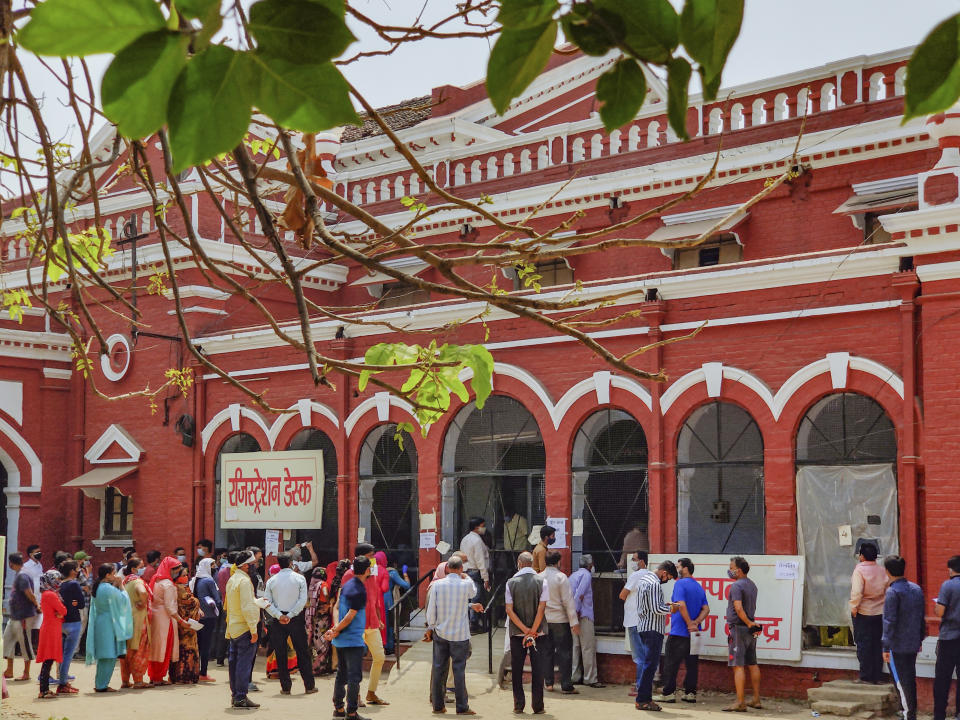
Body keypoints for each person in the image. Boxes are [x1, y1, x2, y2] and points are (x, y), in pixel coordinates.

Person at [426, 555, 483, 715]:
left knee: (439, 668)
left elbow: (432, 610)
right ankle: (462, 706)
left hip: (441, 632)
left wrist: (431, 627)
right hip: (460, 634)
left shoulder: (437, 585)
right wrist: (466, 577)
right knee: (459, 670)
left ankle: (438, 706)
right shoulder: (465, 584)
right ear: (460, 569)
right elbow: (473, 592)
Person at [621, 557, 677, 711]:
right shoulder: (653, 584)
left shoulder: (645, 580)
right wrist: (671, 609)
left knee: (648, 664)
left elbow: (650, 606)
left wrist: (664, 606)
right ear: (664, 573)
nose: (667, 580)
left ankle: (643, 698)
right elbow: (656, 609)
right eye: (668, 578)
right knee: (650, 665)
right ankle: (643, 699)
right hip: (653, 629)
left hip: (645, 626)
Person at [656, 557, 710, 703]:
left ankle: (668, 693)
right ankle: (690, 693)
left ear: (685, 568)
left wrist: (689, 623)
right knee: (692, 665)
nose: (677, 569)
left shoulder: (680, 584)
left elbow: (682, 605)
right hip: (694, 633)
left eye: (679, 566)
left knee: (671, 664)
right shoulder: (698, 587)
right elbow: (706, 609)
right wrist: (696, 622)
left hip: (679, 631)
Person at [263, 551, 317, 695]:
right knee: (302, 652)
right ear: (291, 563)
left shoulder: (271, 581)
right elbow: (302, 600)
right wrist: (291, 615)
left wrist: (279, 615)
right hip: (296, 619)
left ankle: (285, 687)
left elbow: (267, 602)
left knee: (280, 654)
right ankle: (309, 685)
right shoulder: (299, 578)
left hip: (277, 619)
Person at [341, 543, 389, 706]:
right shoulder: (349, 575)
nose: (373, 559)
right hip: (355, 624)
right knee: (354, 661)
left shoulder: (372, 573)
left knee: (379, 657)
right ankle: (356, 695)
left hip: (372, 623)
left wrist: (378, 618)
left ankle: (371, 693)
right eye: (371, 556)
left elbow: (374, 598)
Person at [326, 555, 372, 720]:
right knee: (354, 677)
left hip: (340, 639)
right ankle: (351, 712)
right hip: (353, 639)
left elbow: (337, 607)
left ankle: (338, 708)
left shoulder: (346, 586)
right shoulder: (359, 590)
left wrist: (335, 629)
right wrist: (337, 628)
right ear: (367, 570)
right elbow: (350, 616)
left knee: (341, 674)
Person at [505, 550, 549, 715]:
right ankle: (538, 706)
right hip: (539, 633)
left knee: (517, 668)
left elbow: (509, 610)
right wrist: (533, 630)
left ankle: (518, 704)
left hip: (517, 633)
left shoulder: (511, 583)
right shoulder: (542, 581)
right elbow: (541, 608)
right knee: (538, 668)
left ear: (519, 563)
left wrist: (524, 630)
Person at [882, 554, 925, 720]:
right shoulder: (916, 589)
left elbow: (889, 622)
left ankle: (908, 715)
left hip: (897, 644)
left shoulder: (892, 592)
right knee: (909, 678)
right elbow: (921, 617)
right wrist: (920, 638)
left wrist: (886, 647)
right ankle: (909, 713)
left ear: (887, 571)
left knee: (901, 681)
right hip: (913, 642)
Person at [85, 563, 133, 692]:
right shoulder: (107, 588)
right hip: (109, 623)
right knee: (109, 654)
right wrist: (121, 585)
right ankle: (102, 685)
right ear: (107, 575)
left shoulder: (99, 587)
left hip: (102, 621)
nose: (115, 575)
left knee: (104, 655)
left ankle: (100, 683)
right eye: (113, 573)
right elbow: (124, 600)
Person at [724, 556, 762, 713]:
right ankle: (756, 699)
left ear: (738, 570)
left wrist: (747, 623)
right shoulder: (752, 585)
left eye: (731, 567)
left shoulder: (736, 586)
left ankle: (740, 702)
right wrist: (751, 624)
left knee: (738, 666)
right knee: (752, 663)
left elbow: (738, 609)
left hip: (739, 628)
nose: (729, 569)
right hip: (750, 629)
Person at [538, 550, 580, 694]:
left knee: (546, 652)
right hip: (560, 621)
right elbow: (568, 601)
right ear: (558, 562)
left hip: (544, 620)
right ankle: (566, 684)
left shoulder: (539, 577)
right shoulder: (561, 577)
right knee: (564, 653)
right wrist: (574, 622)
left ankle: (548, 683)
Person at [225, 550, 261, 709]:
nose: (255, 566)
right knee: (243, 665)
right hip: (244, 627)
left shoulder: (233, 579)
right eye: (253, 564)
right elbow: (247, 607)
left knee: (234, 663)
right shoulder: (245, 582)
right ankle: (240, 697)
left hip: (234, 627)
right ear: (246, 566)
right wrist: (254, 629)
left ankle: (236, 695)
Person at [851, 542, 888, 685]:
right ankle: (878, 675)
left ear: (861, 556)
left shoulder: (859, 570)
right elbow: (887, 589)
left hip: (863, 612)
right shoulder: (882, 570)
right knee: (878, 643)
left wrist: (854, 608)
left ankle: (866, 676)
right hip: (880, 612)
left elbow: (857, 592)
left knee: (864, 644)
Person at [148, 556, 184, 685]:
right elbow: (170, 607)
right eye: (176, 570)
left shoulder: (156, 580)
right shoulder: (168, 584)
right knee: (164, 647)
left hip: (156, 617)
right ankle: (158, 677)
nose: (177, 573)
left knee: (156, 647)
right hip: (166, 619)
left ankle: (154, 676)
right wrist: (181, 621)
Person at [569, 554, 604, 688]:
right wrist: (577, 611)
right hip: (583, 615)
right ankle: (590, 678)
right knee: (588, 647)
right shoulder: (586, 575)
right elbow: (580, 594)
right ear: (590, 565)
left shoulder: (573, 575)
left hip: (573, 615)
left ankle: (575, 676)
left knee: (576, 646)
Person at [3, 552, 39, 681]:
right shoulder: (21, 574)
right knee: (8, 640)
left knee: (25, 643)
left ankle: (26, 672)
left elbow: (29, 593)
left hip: (23, 615)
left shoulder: (23, 575)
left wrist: (36, 605)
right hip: (15, 615)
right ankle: (9, 669)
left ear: (11, 563)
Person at [934, 555, 960, 720]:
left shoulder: (948, 585)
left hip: (949, 637)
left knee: (942, 679)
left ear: (950, 569)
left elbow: (940, 611)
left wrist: (937, 608)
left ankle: (939, 715)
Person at [119, 558, 151, 689]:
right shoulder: (137, 581)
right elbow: (143, 592)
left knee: (127, 651)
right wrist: (143, 602)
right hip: (139, 619)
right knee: (139, 650)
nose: (143, 568)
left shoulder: (125, 582)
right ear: (133, 569)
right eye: (141, 566)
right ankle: (138, 680)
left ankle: (125, 681)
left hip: (126, 618)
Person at [35, 570, 66, 699]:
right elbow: (63, 610)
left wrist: (60, 613)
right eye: (56, 579)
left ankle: (44, 689)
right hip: (51, 629)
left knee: (48, 660)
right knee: (49, 659)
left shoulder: (47, 594)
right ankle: (44, 690)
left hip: (50, 627)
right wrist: (60, 613)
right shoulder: (51, 595)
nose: (58, 581)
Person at [170, 564, 203, 684]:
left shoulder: (180, 588)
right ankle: (184, 676)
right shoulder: (180, 589)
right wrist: (197, 602)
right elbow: (190, 602)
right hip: (186, 624)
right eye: (183, 575)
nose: (186, 577)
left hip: (183, 623)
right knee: (187, 650)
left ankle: (177, 675)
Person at [56, 559, 85, 694]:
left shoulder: (59, 584)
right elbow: (81, 604)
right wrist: (73, 603)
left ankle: (62, 680)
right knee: (68, 654)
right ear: (72, 571)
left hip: (62, 621)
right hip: (73, 620)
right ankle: (62, 682)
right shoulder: (74, 584)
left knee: (62, 653)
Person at [193, 557, 222, 682]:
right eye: (212, 564)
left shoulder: (196, 580)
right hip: (209, 616)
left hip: (198, 616)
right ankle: (203, 672)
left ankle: (195, 670)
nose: (215, 566)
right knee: (206, 645)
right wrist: (220, 607)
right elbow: (217, 599)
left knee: (199, 644)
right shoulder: (209, 581)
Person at [460, 517, 491, 634]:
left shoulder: (465, 539)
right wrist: (486, 577)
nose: (484, 528)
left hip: (466, 570)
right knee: (476, 597)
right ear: (477, 527)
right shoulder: (477, 541)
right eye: (482, 525)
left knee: (468, 597)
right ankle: (473, 623)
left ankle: (470, 622)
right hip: (475, 571)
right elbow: (480, 561)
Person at [306, 565, 333, 675]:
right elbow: (326, 593)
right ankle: (320, 668)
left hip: (313, 617)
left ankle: (314, 666)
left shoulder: (311, 585)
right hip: (322, 618)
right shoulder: (323, 585)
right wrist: (328, 603)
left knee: (314, 642)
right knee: (323, 642)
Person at [383, 556, 410, 655]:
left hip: (378, 599)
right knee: (390, 623)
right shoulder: (392, 573)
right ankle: (389, 647)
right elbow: (406, 585)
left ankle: (382, 646)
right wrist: (405, 573)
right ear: (394, 564)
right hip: (388, 600)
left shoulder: (377, 571)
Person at [213, 550, 235, 666]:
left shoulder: (221, 569)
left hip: (223, 601)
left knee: (223, 630)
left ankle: (220, 657)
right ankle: (227, 656)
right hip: (232, 603)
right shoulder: (232, 571)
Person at [22, 544, 44, 648]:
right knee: (28, 624)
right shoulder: (26, 566)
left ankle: (35, 646)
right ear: (31, 554)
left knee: (38, 623)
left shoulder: (39, 565)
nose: (39, 554)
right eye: (37, 552)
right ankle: (26, 646)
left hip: (39, 598)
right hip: (30, 599)